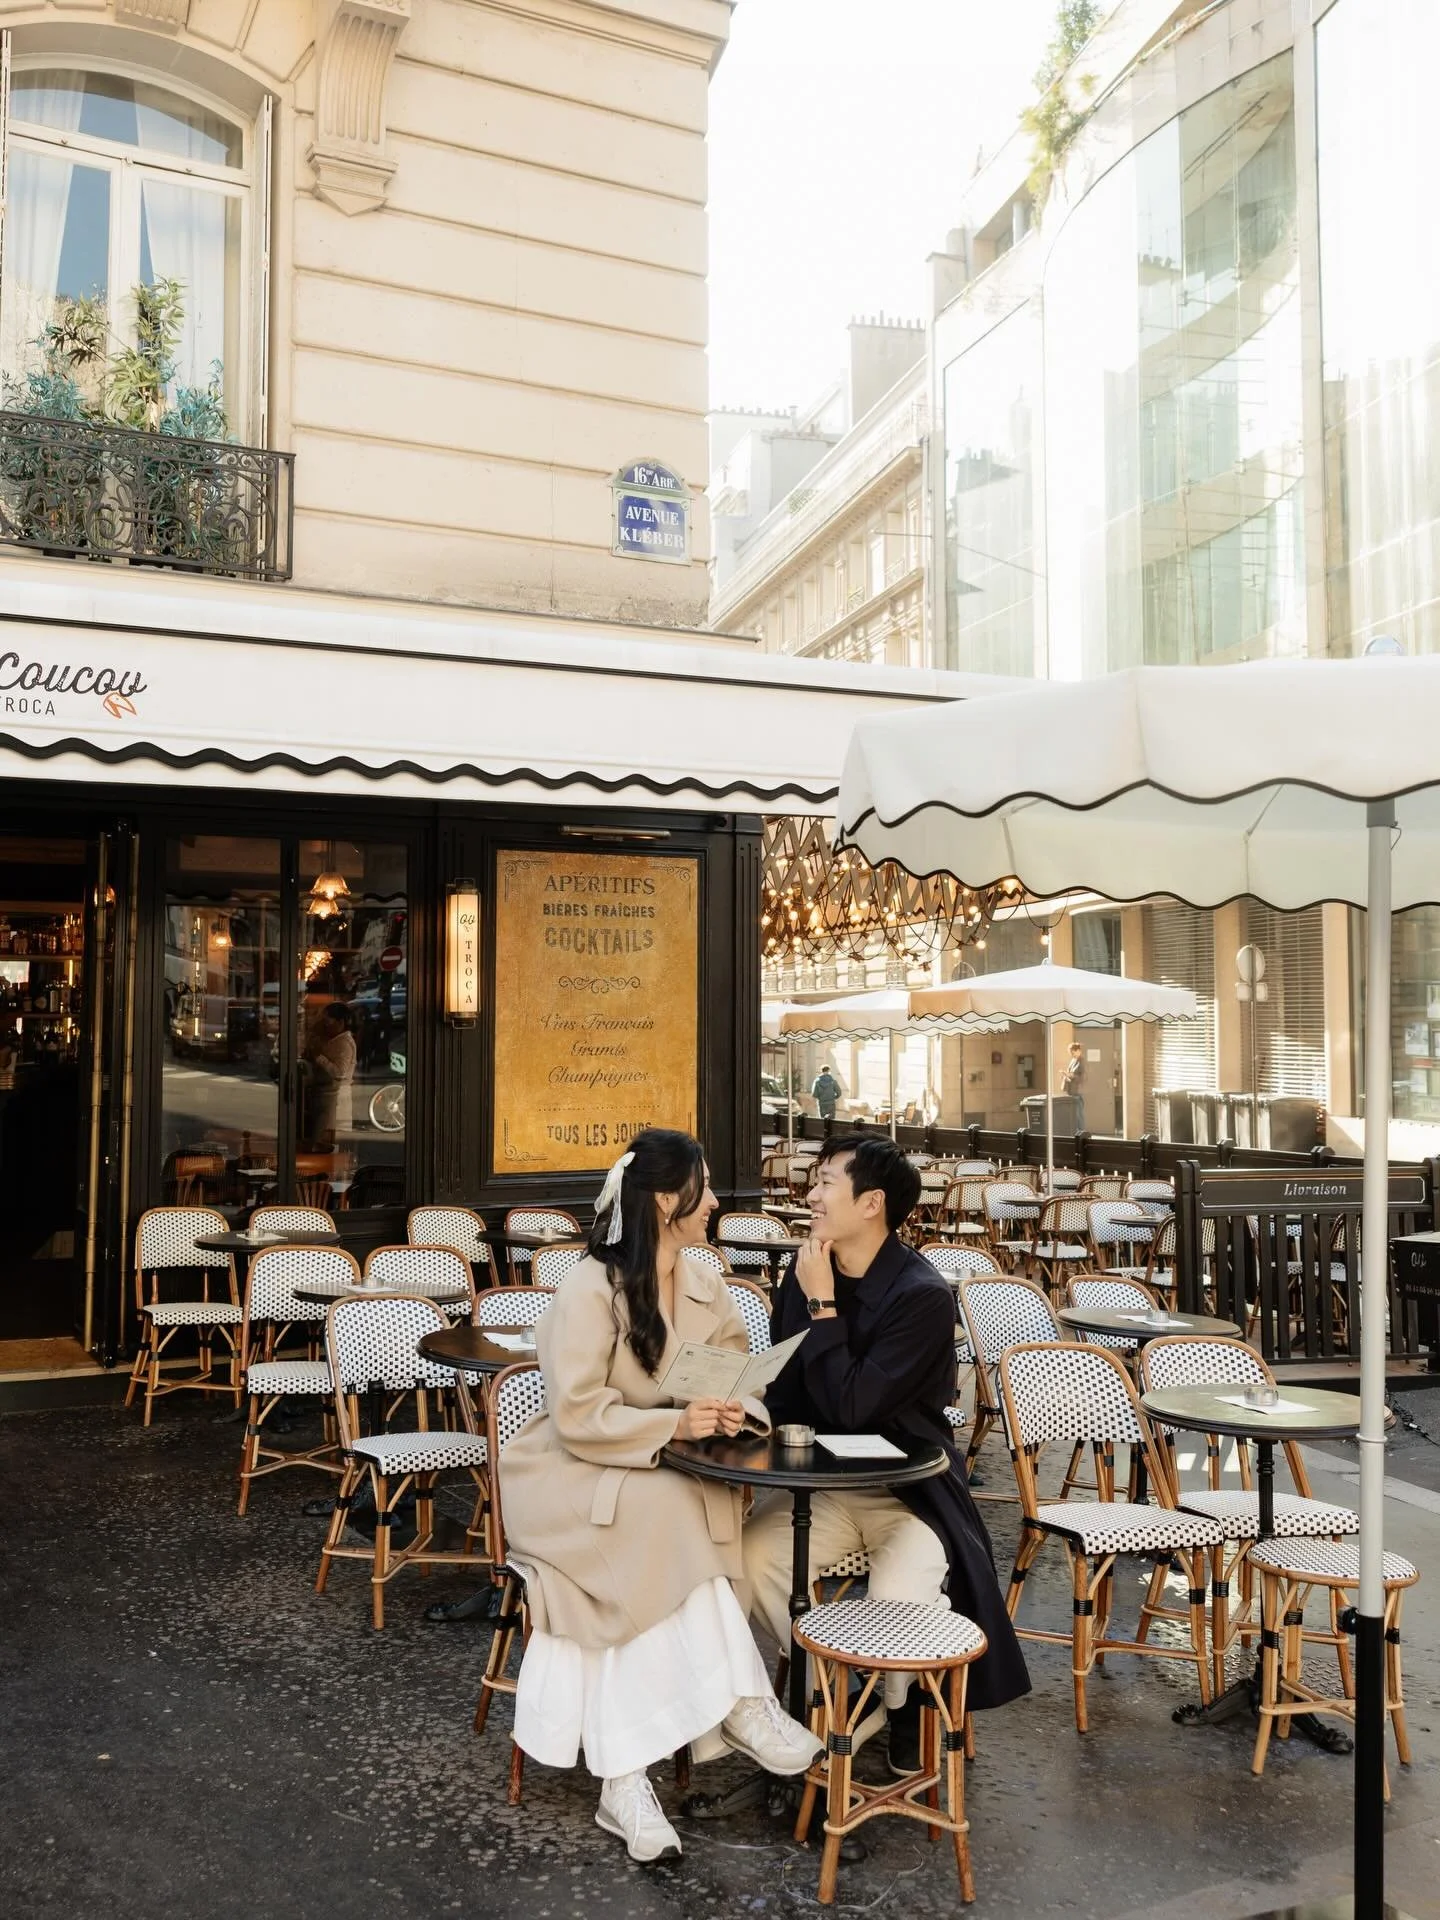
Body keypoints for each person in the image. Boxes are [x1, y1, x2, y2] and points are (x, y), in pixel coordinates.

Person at [499, 1128, 821, 1864]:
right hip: (569, 1475)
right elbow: (577, 1414)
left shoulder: (708, 1283)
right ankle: (742, 1704)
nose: (714, 1205)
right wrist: (675, 1423)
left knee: (676, 1521)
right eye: (702, 1191)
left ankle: (627, 1781)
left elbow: (744, 1373)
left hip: (661, 1473)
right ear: (666, 1201)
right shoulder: (588, 1288)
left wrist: (734, 1411)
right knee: (677, 1514)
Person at [742, 1133, 1030, 1773]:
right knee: (750, 1556)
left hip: (909, 1493)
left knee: (900, 1593)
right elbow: (786, 1387)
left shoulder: (920, 1295)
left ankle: (901, 1706)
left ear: (871, 1203)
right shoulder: (806, 1270)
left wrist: (821, 1304)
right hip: (823, 1487)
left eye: (825, 1183)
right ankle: (840, 1686)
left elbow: (855, 1407)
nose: (811, 1196)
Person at [305, 1000, 356, 1147]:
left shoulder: (344, 1043)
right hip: (326, 1096)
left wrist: (319, 1057)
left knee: (330, 1142)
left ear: (340, 1022)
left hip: (336, 1096)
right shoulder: (334, 1040)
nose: (326, 1027)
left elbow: (340, 1072)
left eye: (328, 1023)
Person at [1062, 1039, 1087, 1133]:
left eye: (1073, 1053)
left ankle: (1081, 1133)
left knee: (1078, 1114)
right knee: (1074, 1114)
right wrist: (1066, 1075)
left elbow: (1083, 1077)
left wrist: (1070, 1075)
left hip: (1077, 1091)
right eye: (1070, 1053)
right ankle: (1076, 1132)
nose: (1072, 1055)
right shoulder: (1073, 1060)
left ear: (1078, 1051)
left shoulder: (1082, 1061)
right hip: (1072, 1091)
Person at [810, 1063, 842, 1134]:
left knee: (823, 1121)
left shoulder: (817, 1081)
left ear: (821, 1071)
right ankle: (831, 1135)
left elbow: (814, 1094)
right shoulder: (833, 1081)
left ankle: (823, 1135)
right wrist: (834, 1097)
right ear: (829, 1071)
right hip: (831, 1103)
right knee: (832, 1122)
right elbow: (839, 1092)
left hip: (822, 1104)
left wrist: (821, 1097)